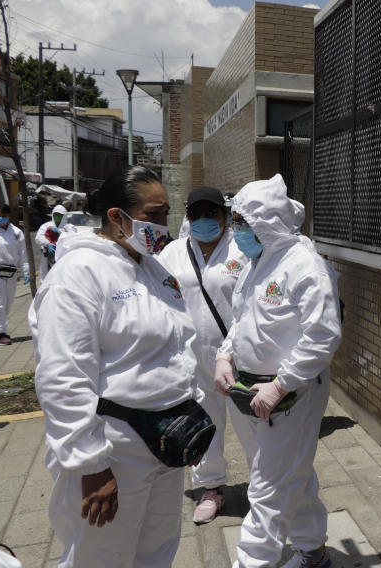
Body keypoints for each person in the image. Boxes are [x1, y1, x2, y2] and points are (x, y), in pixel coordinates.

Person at [29, 165, 209, 567]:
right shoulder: (78, 276)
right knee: (103, 555)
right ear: (116, 217)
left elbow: (180, 345)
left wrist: (191, 416)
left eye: (167, 214)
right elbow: (64, 377)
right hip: (116, 446)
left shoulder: (154, 269)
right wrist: (90, 465)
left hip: (168, 438)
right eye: (154, 214)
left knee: (157, 548)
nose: (164, 225)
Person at [214, 174, 342, 568]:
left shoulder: (305, 267)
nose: (235, 230)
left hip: (290, 395)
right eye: (235, 221)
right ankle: (312, 551)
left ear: (265, 222)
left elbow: (323, 336)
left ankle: (253, 562)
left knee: (268, 488)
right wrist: (225, 355)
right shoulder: (258, 262)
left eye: (241, 222)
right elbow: (243, 319)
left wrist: (281, 385)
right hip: (251, 391)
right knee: (289, 473)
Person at [157, 186, 253, 525]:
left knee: (253, 429)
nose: (203, 220)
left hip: (239, 361)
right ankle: (211, 488)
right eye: (195, 214)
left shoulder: (242, 249)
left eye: (210, 213)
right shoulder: (172, 253)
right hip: (193, 361)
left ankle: (265, 491)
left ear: (224, 216)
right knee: (204, 429)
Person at [0, 204, 29, 345]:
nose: (0, 218)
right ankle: (0, 333)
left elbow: (23, 253)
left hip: (11, 272)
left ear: (9, 215)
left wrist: (25, 270)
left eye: (3, 215)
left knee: (7, 303)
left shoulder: (16, 232)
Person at [34, 204, 66, 277]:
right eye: (55, 215)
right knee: (46, 276)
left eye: (59, 215)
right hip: (48, 255)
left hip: (62, 256)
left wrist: (60, 232)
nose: (57, 217)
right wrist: (47, 243)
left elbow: (71, 236)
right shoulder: (46, 226)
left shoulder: (68, 226)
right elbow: (38, 237)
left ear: (64, 216)